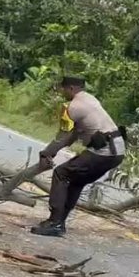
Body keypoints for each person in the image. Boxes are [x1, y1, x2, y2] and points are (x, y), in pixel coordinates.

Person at [30, 76, 126, 237]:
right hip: (117, 152)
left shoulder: (73, 107)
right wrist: (50, 152)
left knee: (61, 173)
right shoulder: (90, 99)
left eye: (63, 89)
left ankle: (55, 223)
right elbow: (73, 135)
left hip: (103, 152)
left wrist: (47, 152)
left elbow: (63, 135)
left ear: (71, 89)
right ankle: (59, 221)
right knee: (76, 180)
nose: (62, 92)